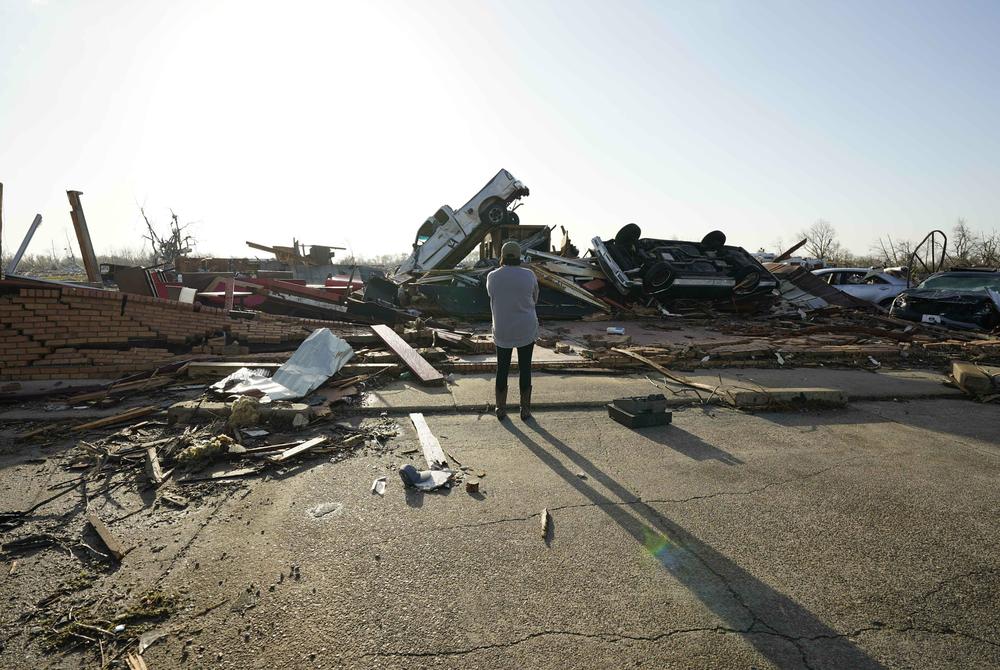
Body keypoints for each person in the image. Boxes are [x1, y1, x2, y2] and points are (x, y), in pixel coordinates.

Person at [486, 240, 539, 421]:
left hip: (502, 329)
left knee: (502, 368)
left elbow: (493, 297)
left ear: (502, 256)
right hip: (526, 327)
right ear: (519, 257)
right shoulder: (529, 275)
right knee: (525, 368)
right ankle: (525, 410)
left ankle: (500, 409)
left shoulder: (492, 276)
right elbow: (535, 298)